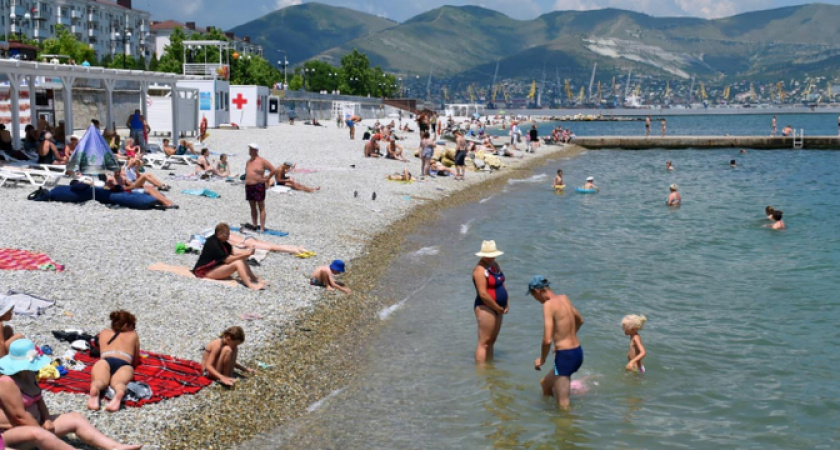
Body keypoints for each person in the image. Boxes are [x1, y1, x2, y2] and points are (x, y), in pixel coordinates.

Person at [0, 339, 143, 449]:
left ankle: (114, 447)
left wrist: (47, 418)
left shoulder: (29, 374)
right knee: (39, 434)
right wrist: (43, 431)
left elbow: (38, 399)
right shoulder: (6, 382)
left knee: (75, 418)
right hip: (11, 434)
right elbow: (19, 416)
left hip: (38, 425)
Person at [529, 276, 584, 410]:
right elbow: (580, 320)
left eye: (534, 297)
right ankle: (549, 413)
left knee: (564, 406)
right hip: (577, 352)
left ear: (537, 291)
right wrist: (567, 338)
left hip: (565, 356)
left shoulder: (548, 305)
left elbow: (547, 339)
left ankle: (565, 426)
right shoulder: (564, 298)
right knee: (545, 384)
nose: (537, 301)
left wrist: (541, 360)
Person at [85, 311, 140, 413]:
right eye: (133, 326)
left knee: (99, 381)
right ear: (126, 325)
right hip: (124, 364)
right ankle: (119, 392)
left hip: (105, 361)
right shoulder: (133, 335)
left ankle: (95, 388)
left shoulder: (104, 332)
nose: (134, 329)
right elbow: (135, 360)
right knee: (118, 383)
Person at [193, 223, 266, 290]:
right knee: (237, 262)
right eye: (227, 235)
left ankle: (254, 279)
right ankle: (250, 285)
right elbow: (227, 260)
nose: (228, 237)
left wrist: (249, 252)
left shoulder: (222, 241)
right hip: (205, 272)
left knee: (240, 259)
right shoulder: (213, 243)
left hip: (215, 268)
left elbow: (234, 252)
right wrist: (245, 254)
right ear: (219, 234)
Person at [472, 240, 507, 364]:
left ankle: (490, 368)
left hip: (499, 307)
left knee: (492, 341)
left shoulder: (495, 265)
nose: (491, 257)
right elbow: (483, 294)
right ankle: (481, 372)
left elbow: (502, 282)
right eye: (489, 255)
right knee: (484, 342)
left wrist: (506, 303)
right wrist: (497, 307)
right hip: (486, 307)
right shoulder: (479, 270)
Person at [106, 166, 178, 209]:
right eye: (116, 170)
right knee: (149, 188)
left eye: (118, 170)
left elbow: (129, 184)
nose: (118, 171)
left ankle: (168, 202)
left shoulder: (122, 177)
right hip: (127, 191)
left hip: (130, 189)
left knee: (149, 187)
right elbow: (110, 188)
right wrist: (133, 187)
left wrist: (136, 186)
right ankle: (167, 203)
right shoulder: (111, 179)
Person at [244, 144, 274, 232]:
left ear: (256, 150)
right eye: (249, 149)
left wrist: (267, 178)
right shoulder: (248, 161)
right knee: (252, 206)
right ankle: (254, 225)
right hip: (249, 186)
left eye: (251, 149)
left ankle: (262, 227)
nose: (249, 150)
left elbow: (273, 169)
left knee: (261, 206)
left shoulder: (262, 161)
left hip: (258, 185)